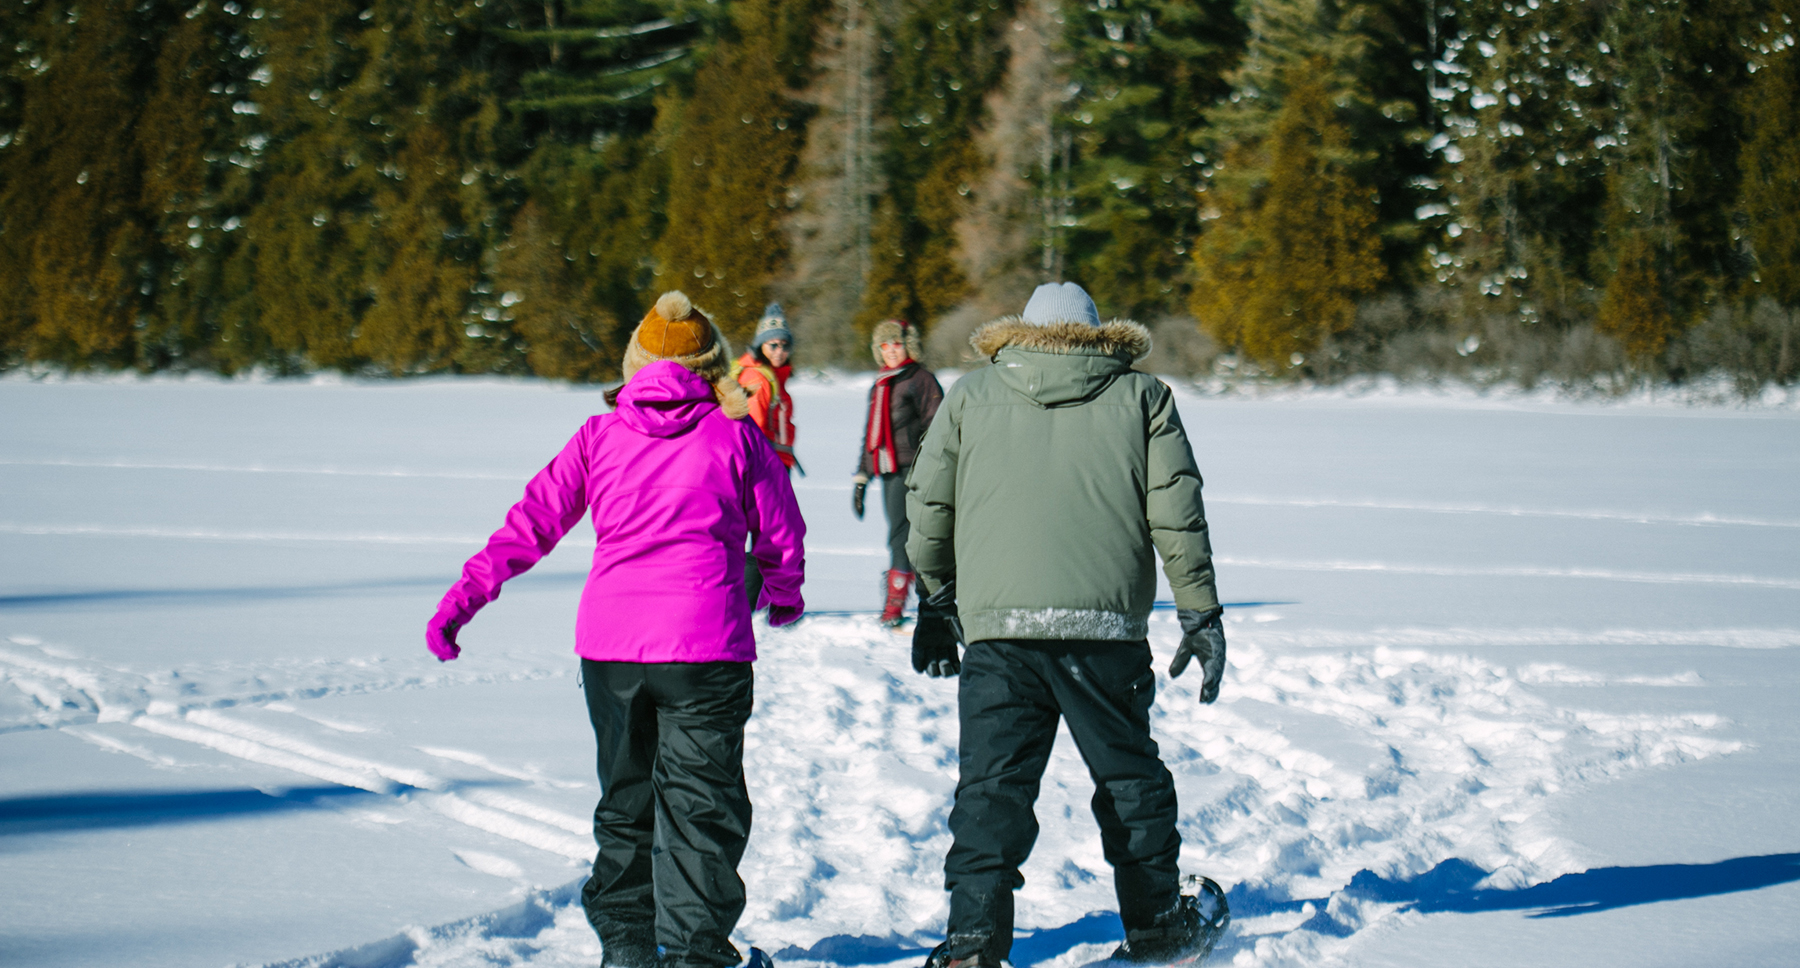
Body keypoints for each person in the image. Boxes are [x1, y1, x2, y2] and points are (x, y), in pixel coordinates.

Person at [425, 291, 805, 968]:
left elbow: (531, 524)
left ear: (636, 363)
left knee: (626, 800)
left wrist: (464, 599)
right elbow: (782, 533)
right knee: (702, 807)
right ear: (712, 363)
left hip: (612, 654)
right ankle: (696, 954)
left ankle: (628, 949)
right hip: (705, 652)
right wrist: (782, 594)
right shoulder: (736, 434)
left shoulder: (598, 436)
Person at [903, 282, 1231, 968]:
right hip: (1103, 628)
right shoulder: (1143, 397)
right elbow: (1176, 512)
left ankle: (973, 945)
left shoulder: (970, 394)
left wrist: (937, 599)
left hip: (1000, 632)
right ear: (1097, 334)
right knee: (1128, 780)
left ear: (1023, 332)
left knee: (991, 790)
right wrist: (1198, 609)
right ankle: (1157, 927)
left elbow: (928, 504)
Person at [853, 318, 943, 626]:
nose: (891, 350)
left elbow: (938, 426)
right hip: (889, 471)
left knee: (909, 536)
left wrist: (929, 467)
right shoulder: (882, 383)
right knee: (899, 535)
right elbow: (870, 434)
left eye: (897, 343)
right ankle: (912, 602)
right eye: (885, 345)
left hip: (915, 469)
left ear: (909, 346)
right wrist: (861, 478)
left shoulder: (922, 379)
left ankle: (900, 605)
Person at [737, 303, 800, 610]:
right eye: (773, 344)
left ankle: (761, 600)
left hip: (771, 466)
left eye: (785, 344)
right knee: (770, 536)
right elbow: (753, 430)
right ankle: (750, 605)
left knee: (770, 535)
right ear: (760, 344)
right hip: (764, 469)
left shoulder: (769, 376)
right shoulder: (758, 380)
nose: (779, 350)